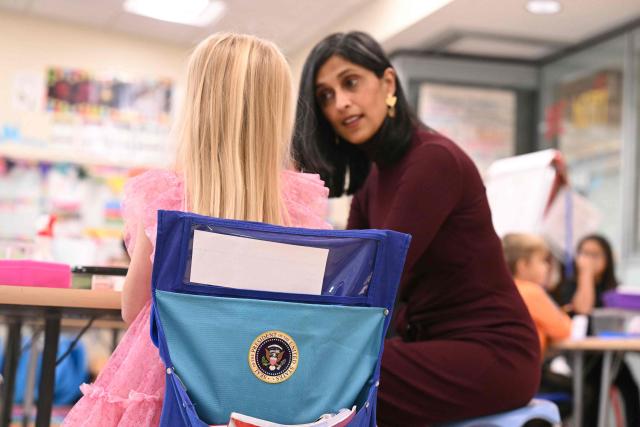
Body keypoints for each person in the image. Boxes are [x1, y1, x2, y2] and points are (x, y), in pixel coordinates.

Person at [63, 33, 330, 427]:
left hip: (171, 385)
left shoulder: (163, 197)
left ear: (198, 107)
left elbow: (134, 309)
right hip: (263, 383)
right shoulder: (299, 206)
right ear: (277, 115)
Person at [293, 31, 540, 426]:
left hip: (493, 354)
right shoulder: (372, 182)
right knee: (305, 362)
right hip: (429, 347)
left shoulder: (432, 160)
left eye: (350, 82)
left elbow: (375, 282)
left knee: (323, 369)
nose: (340, 103)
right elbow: (344, 278)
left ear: (388, 83)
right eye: (325, 95)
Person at [555, 234, 639, 427]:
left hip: (609, 355)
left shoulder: (613, 287)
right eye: (584, 253)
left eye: (595, 255)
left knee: (631, 391)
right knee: (592, 394)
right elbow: (583, 308)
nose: (588, 260)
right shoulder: (570, 285)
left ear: (607, 258)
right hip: (581, 357)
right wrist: (586, 275)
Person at [502, 233, 573, 419]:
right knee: (585, 390)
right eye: (542, 261)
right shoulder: (531, 291)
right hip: (527, 375)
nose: (547, 267)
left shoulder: (501, 289)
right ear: (523, 265)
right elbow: (564, 330)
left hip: (503, 374)